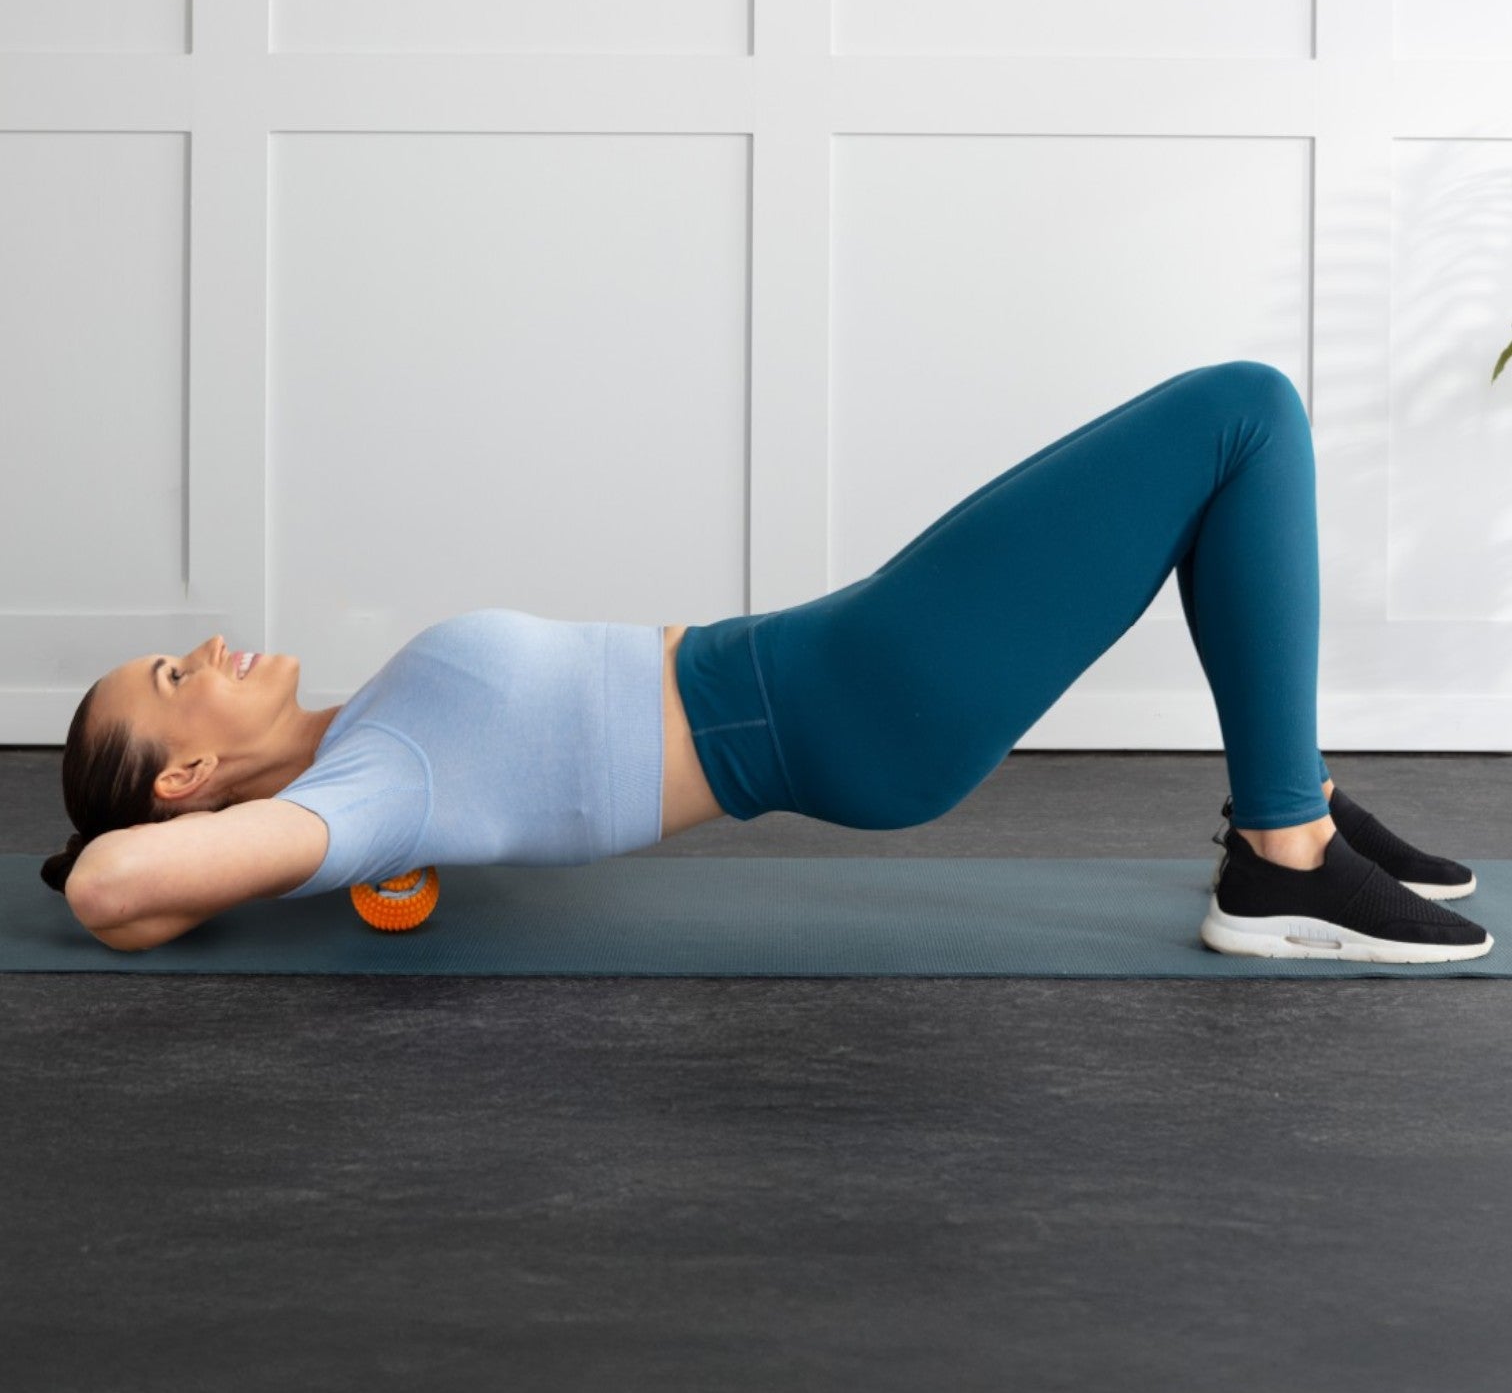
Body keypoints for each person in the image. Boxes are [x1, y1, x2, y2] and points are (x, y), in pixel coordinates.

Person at [42, 361, 1490, 964]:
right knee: (1241, 415)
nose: (209, 650)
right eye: (178, 677)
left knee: (1225, 444)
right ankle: (1282, 855)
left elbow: (127, 891)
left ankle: (1288, 811)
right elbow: (113, 886)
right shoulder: (363, 792)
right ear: (187, 772)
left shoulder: (366, 755)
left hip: (836, 656)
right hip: (852, 698)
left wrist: (210, 855)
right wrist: (214, 849)